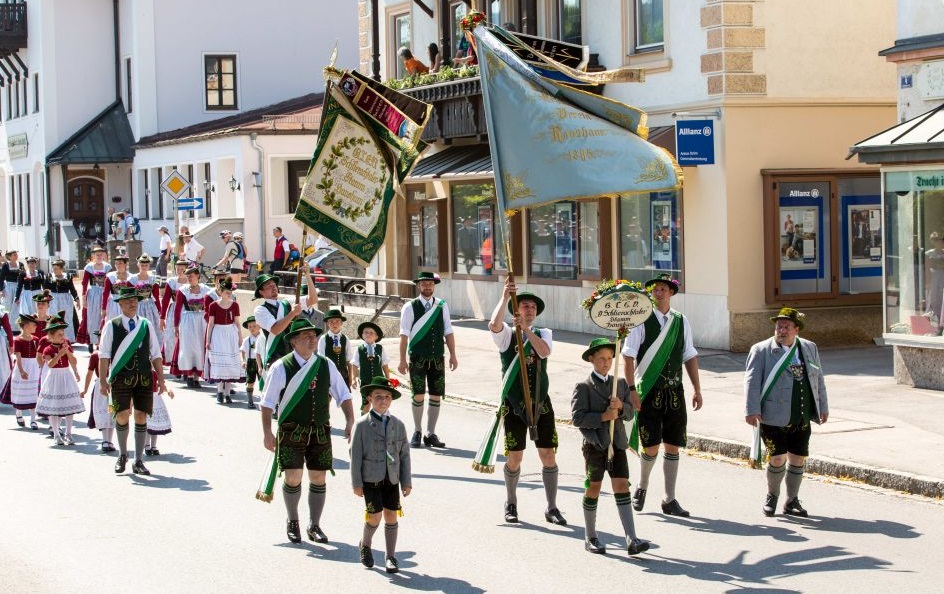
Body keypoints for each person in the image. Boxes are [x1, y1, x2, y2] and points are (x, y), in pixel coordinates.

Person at [260, 318, 355, 544]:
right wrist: (267, 432)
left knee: (318, 477)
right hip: (292, 430)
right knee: (293, 478)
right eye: (306, 336)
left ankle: (314, 524)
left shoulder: (325, 365)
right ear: (294, 342)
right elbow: (267, 403)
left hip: (320, 430)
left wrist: (350, 420)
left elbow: (343, 394)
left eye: (314, 336)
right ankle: (293, 521)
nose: (313, 340)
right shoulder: (281, 367)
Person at [622, 273, 702, 518]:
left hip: (674, 392)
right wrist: (632, 390)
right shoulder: (641, 321)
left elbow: (689, 355)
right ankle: (642, 486)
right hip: (650, 391)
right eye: (655, 289)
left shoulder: (681, 321)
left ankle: (669, 499)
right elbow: (627, 355)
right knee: (651, 445)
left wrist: (697, 389)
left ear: (671, 293)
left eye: (663, 289)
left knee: (673, 445)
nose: (659, 293)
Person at [488, 279, 565, 525]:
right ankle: (511, 502)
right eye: (524, 306)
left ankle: (552, 507)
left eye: (532, 307)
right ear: (516, 310)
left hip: (541, 402)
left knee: (548, 455)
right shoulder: (507, 336)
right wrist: (504, 297)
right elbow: (493, 324)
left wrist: (527, 331)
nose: (529, 310)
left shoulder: (544, 333)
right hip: (514, 404)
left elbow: (544, 352)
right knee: (515, 457)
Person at [745, 308, 829, 518]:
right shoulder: (762, 350)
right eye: (778, 326)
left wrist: (823, 406)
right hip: (772, 415)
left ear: (796, 330)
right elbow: (752, 382)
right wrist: (751, 409)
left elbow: (818, 379)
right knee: (777, 458)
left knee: (798, 458)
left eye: (786, 327)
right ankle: (772, 496)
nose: (781, 330)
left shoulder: (809, 348)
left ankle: (792, 500)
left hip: (800, 414)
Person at [572, 338, 649, 555]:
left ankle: (631, 538)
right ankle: (591, 536)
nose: (606, 363)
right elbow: (577, 418)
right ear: (591, 360)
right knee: (593, 487)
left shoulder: (621, 384)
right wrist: (604, 416)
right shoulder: (583, 386)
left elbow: (630, 412)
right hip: (595, 445)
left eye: (608, 359)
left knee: (622, 485)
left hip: (617, 445)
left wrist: (622, 406)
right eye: (601, 359)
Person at [98, 286, 170, 475]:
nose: (132, 304)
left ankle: (138, 460)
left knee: (141, 415)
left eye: (135, 300)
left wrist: (161, 380)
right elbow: (104, 355)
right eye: (128, 301)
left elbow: (155, 354)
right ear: (120, 303)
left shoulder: (145, 324)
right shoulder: (112, 325)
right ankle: (122, 454)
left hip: (144, 377)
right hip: (121, 377)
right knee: (121, 415)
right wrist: (103, 381)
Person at [351, 377, 412, 573]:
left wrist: (406, 481)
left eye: (387, 396)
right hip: (370, 478)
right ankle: (365, 544)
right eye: (378, 397)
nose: (383, 400)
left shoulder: (398, 424)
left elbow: (404, 455)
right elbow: (355, 456)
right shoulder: (361, 425)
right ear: (369, 398)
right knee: (374, 516)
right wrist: (356, 483)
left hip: (391, 478)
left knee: (391, 515)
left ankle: (391, 556)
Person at [398, 271, 457, 449]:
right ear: (418, 286)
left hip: (437, 357)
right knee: (418, 394)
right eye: (424, 284)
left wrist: (453, 354)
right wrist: (402, 359)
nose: (427, 287)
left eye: (430, 284)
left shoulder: (441, 306)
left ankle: (430, 433)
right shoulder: (410, 307)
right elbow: (404, 335)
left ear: (434, 285)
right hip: (417, 357)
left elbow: (448, 330)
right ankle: (417, 430)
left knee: (436, 395)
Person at [35, 321, 83, 446]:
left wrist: (67, 353)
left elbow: (74, 361)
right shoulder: (48, 349)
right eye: (59, 335)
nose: (63, 337)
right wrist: (60, 354)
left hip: (66, 376)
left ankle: (68, 433)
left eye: (63, 334)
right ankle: (56, 434)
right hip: (54, 377)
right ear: (51, 337)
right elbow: (50, 364)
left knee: (69, 406)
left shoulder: (66, 346)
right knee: (54, 407)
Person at [204, 277, 245, 403]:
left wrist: (240, 337)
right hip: (218, 333)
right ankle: (220, 391)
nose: (229, 294)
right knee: (219, 364)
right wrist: (208, 340)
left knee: (230, 363)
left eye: (230, 292)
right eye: (227, 291)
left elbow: (237, 323)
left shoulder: (235, 305)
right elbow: (210, 324)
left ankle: (227, 393)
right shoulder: (213, 305)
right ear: (220, 291)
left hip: (230, 333)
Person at [170, 266, 211, 388]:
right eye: (188, 276)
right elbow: (177, 309)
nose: (189, 278)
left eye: (191, 276)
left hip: (201, 320)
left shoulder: (206, 290)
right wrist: (176, 325)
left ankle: (197, 377)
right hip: (188, 320)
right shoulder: (183, 290)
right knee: (188, 346)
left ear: (198, 276)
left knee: (199, 346)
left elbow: (210, 307)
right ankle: (188, 375)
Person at [253, 273, 302, 370]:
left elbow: (313, 299)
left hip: (293, 353)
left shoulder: (286, 303)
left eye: (274, 285)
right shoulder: (260, 310)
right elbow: (275, 330)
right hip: (275, 357)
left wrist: (308, 275)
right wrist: (292, 313)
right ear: (261, 292)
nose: (273, 287)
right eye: (269, 286)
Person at [76, 246, 112, 350]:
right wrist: (83, 297)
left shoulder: (107, 267)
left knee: (102, 316)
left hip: (104, 293)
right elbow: (84, 283)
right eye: (97, 255)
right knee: (91, 317)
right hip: (93, 293)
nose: (99, 256)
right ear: (93, 256)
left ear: (104, 255)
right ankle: (91, 340)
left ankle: (101, 340)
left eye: (101, 254)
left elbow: (111, 282)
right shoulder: (89, 267)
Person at [8, 314, 40, 430]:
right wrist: (21, 370)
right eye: (33, 325)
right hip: (23, 366)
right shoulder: (18, 340)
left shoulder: (36, 340)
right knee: (21, 391)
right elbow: (18, 356)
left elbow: (38, 355)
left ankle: (33, 420)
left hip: (34, 367)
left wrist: (40, 367)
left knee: (33, 393)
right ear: (26, 326)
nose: (35, 327)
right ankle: (19, 413)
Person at [352, 321, 390, 414]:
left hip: (379, 381)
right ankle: (363, 424)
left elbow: (384, 364)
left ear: (376, 337)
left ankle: (380, 423)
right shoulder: (359, 349)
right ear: (362, 335)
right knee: (366, 404)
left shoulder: (380, 348)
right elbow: (355, 364)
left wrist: (388, 378)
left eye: (371, 333)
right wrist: (353, 379)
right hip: (365, 381)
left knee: (381, 403)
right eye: (366, 332)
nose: (368, 334)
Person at [81, 351, 116, 452]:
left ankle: (109, 441)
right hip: (102, 384)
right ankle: (105, 440)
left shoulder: (116, 353)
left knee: (112, 412)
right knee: (105, 411)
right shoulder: (96, 355)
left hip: (114, 384)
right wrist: (85, 389)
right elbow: (90, 372)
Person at [160, 259, 189, 362]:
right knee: (172, 335)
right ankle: (174, 359)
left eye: (182, 269)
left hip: (187, 311)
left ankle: (186, 359)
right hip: (174, 310)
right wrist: (162, 318)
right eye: (177, 269)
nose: (180, 271)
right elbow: (165, 300)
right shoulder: (171, 282)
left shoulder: (191, 281)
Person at [317, 308, 354, 389]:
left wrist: (351, 377)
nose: (334, 324)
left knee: (344, 397)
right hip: (328, 372)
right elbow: (321, 360)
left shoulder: (345, 339)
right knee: (327, 396)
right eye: (331, 321)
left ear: (342, 323)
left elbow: (349, 360)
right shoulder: (323, 339)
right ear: (327, 324)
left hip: (343, 373)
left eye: (337, 321)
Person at [132, 254, 163, 346]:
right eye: (142, 265)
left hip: (150, 306)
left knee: (151, 328)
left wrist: (160, 311)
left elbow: (156, 297)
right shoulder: (132, 279)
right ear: (138, 265)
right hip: (137, 306)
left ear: (149, 266)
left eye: (146, 265)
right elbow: (129, 296)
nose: (144, 267)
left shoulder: (152, 279)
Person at [240, 316, 264, 410]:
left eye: (254, 326)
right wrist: (243, 361)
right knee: (250, 382)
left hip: (260, 361)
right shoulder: (247, 340)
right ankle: (250, 401)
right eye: (250, 326)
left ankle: (263, 402)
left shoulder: (262, 338)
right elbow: (242, 350)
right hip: (250, 362)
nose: (252, 328)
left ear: (259, 326)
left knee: (263, 381)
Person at [102, 254, 133, 322]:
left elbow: (133, 293)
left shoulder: (131, 277)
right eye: (116, 263)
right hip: (114, 304)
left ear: (125, 264)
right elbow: (105, 293)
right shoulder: (110, 276)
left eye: (120, 263)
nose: (118, 265)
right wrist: (103, 308)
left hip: (127, 303)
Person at [925, 232, 944, 323]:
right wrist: (927, 282)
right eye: (938, 242)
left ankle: (940, 316)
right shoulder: (929, 253)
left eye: (941, 242)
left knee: (941, 296)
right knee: (932, 296)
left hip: (942, 276)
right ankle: (931, 315)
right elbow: (927, 267)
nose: (940, 244)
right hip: (933, 276)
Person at [0, 249, 24, 322]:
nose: (16, 256)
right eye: (14, 255)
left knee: (17, 305)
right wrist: (1, 290)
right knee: (6, 305)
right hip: (8, 287)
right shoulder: (6, 265)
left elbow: (23, 276)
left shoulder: (21, 264)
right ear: (9, 257)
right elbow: (1, 278)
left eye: (16, 254)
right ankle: (4, 322)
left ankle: (15, 326)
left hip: (18, 287)